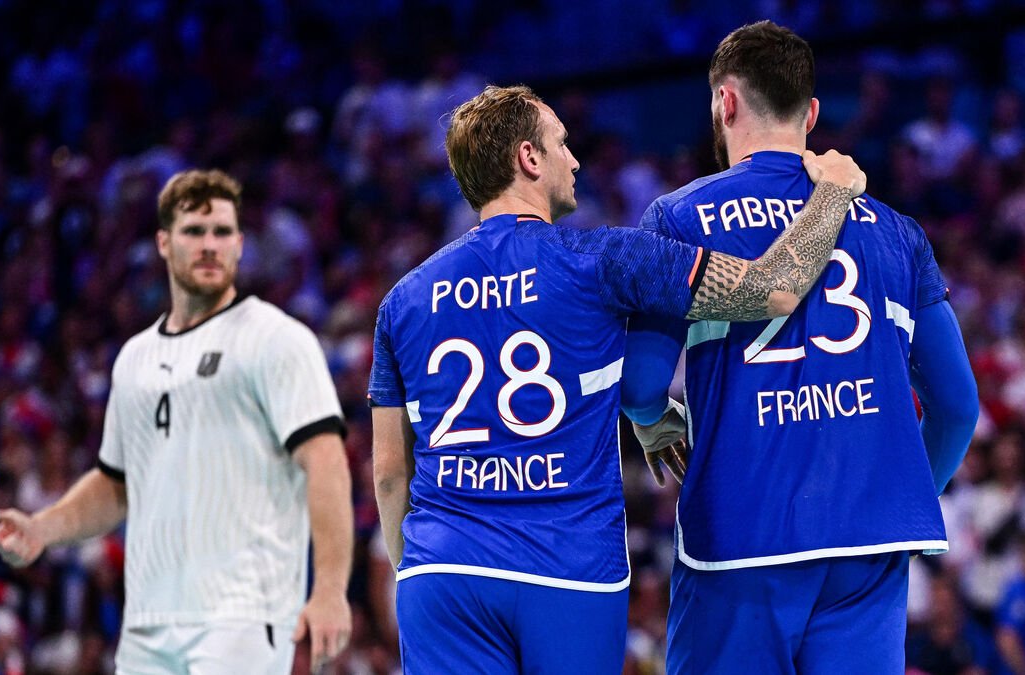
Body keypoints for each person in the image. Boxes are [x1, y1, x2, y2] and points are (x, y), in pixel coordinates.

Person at [368, 84, 866, 674]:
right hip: (566, 566)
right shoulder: (603, 260)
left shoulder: (402, 301)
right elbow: (775, 289)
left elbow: (391, 474)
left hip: (442, 570)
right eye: (562, 144)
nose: (574, 160)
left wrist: (418, 572)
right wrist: (831, 194)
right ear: (529, 158)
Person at [619, 21, 980, 673]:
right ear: (811, 113)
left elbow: (641, 384)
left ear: (724, 103)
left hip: (742, 536)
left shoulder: (681, 217)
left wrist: (651, 421)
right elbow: (956, 405)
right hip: (869, 546)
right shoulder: (897, 232)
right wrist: (902, 491)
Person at [0, 169, 354, 675]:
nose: (209, 245)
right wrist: (42, 529)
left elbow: (327, 463)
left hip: (242, 620)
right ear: (163, 242)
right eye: (194, 232)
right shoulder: (135, 358)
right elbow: (116, 483)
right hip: (147, 628)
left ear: (241, 244)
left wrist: (330, 588)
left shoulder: (277, 340)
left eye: (222, 232)